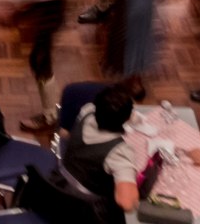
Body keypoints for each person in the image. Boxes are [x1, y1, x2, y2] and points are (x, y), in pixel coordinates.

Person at [60, 82, 141, 214]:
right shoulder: (119, 152)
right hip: (87, 202)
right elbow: (127, 204)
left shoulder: (87, 111)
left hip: (62, 178)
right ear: (126, 118)